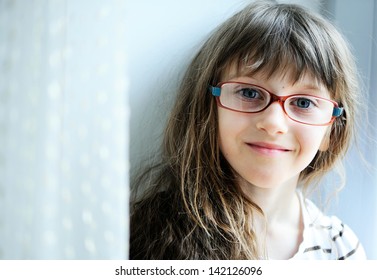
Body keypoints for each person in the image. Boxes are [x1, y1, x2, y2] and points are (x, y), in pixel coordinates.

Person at [129, 0, 367, 260]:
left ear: (332, 131)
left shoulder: (341, 249)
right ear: (209, 108)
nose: (274, 123)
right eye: (250, 92)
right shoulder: (153, 234)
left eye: (303, 102)